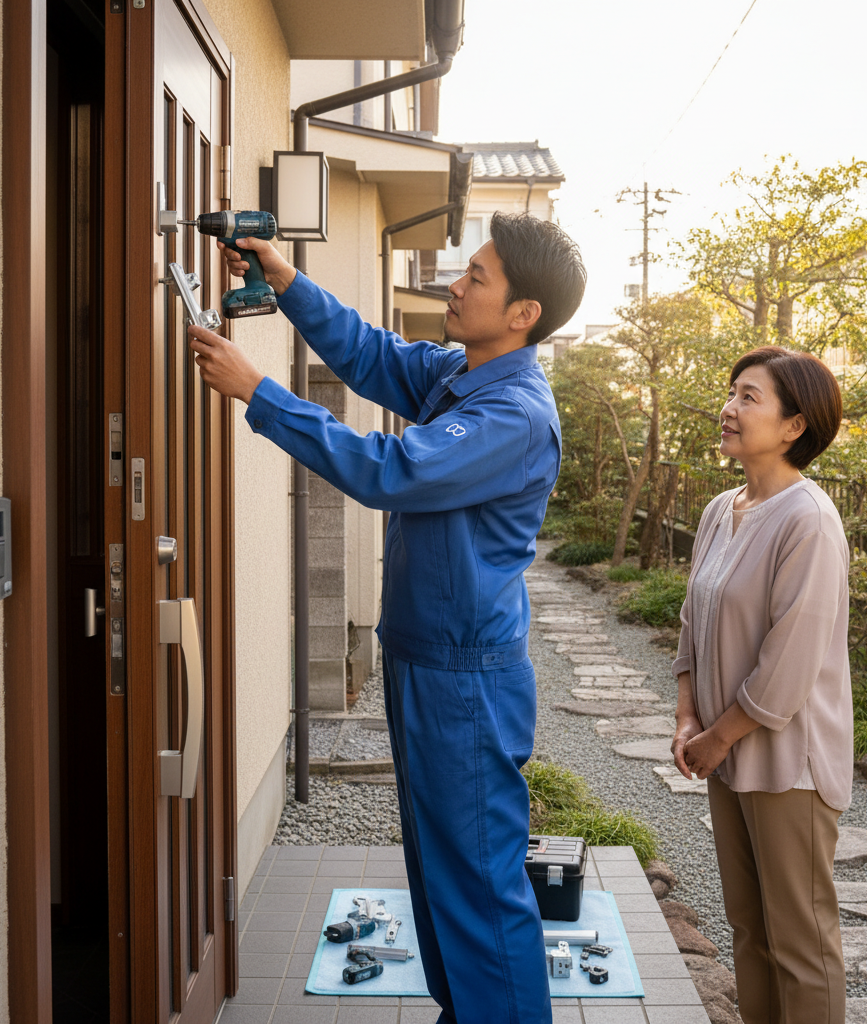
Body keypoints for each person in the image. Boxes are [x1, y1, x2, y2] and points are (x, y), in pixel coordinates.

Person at [187, 212, 586, 1024]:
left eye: (477, 276)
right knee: (441, 875)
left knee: (478, 882)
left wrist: (259, 393)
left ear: (523, 314)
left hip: (465, 680)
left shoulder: (513, 414)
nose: (456, 283)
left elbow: (390, 470)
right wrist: (286, 280)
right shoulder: (462, 373)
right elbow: (370, 353)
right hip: (427, 661)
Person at [670, 346, 851, 1024]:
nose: (729, 408)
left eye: (750, 397)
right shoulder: (724, 508)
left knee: (801, 944)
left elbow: (790, 661)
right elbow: (694, 621)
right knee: (751, 931)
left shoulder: (809, 520)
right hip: (725, 751)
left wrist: (717, 737)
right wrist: (689, 719)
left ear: (794, 426)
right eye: (731, 393)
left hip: (787, 763)